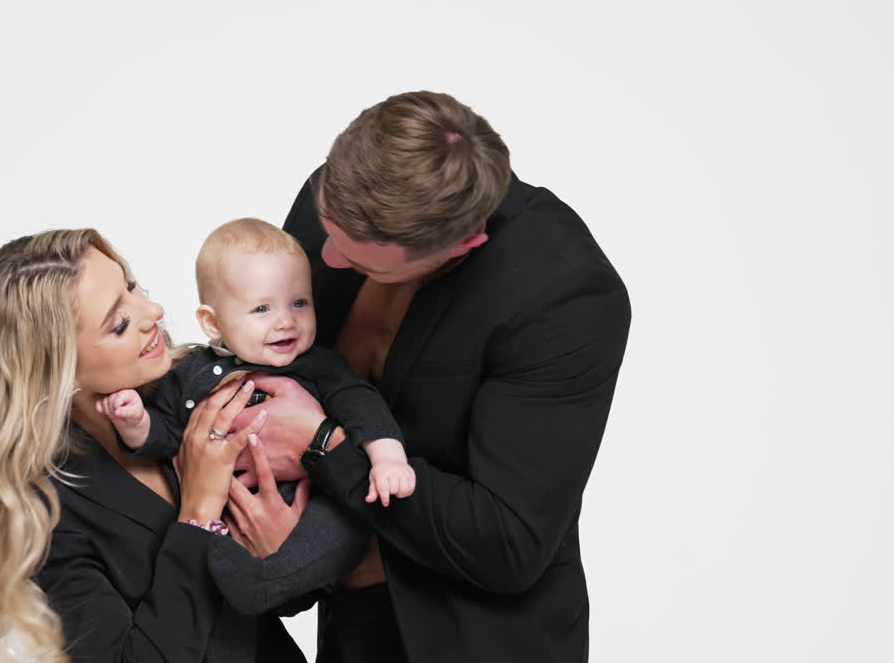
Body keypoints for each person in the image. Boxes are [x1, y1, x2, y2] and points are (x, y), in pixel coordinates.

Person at [233, 91, 633, 662]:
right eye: (329, 232)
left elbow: (508, 543)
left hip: (473, 640)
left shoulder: (563, 296)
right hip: (346, 619)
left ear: (464, 244)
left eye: (364, 263)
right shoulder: (343, 202)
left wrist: (321, 444)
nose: (331, 262)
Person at [0, 229, 312, 663]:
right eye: (120, 323)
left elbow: (286, 599)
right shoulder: (45, 512)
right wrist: (199, 515)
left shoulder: (187, 398)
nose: (154, 311)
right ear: (61, 370)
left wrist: (283, 550)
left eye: (131, 286)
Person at [100, 217, 415, 506]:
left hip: (307, 504)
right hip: (225, 508)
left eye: (299, 303)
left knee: (337, 528)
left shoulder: (319, 367)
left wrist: (389, 458)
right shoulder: (189, 374)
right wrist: (136, 423)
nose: (286, 322)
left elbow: (363, 405)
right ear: (213, 323)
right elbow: (167, 436)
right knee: (206, 549)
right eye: (263, 309)